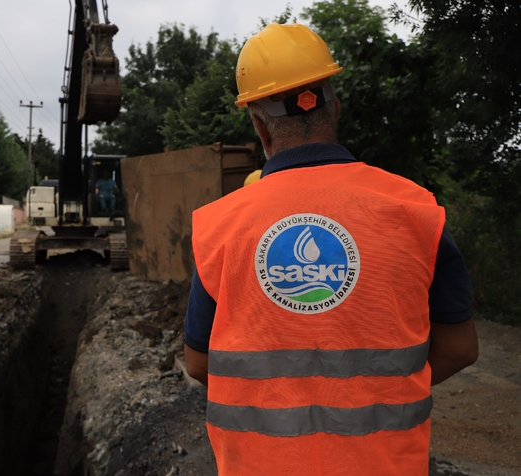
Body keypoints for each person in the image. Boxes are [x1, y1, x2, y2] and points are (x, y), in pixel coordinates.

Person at [184, 23, 478, 475]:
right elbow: (458, 349)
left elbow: (199, 363)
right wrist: (378, 391)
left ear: (259, 126)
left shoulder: (218, 225)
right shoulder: (416, 210)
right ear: (335, 109)